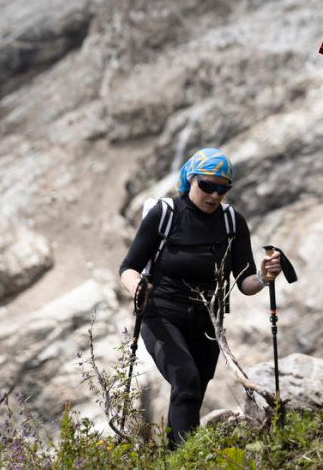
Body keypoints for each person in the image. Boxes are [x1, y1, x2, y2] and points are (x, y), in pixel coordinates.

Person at [119, 148, 281, 447]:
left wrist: (264, 276)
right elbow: (128, 267)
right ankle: (185, 462)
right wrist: (138, 286)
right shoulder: (165, 215)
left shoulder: (233, 223)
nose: (215, 194)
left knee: (192, 393)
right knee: (187, 381)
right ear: (190, 180)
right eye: (207, 185)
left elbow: (244, 283)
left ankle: (174, 458)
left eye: (223, 188)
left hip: (208, 323)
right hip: (161, 316)